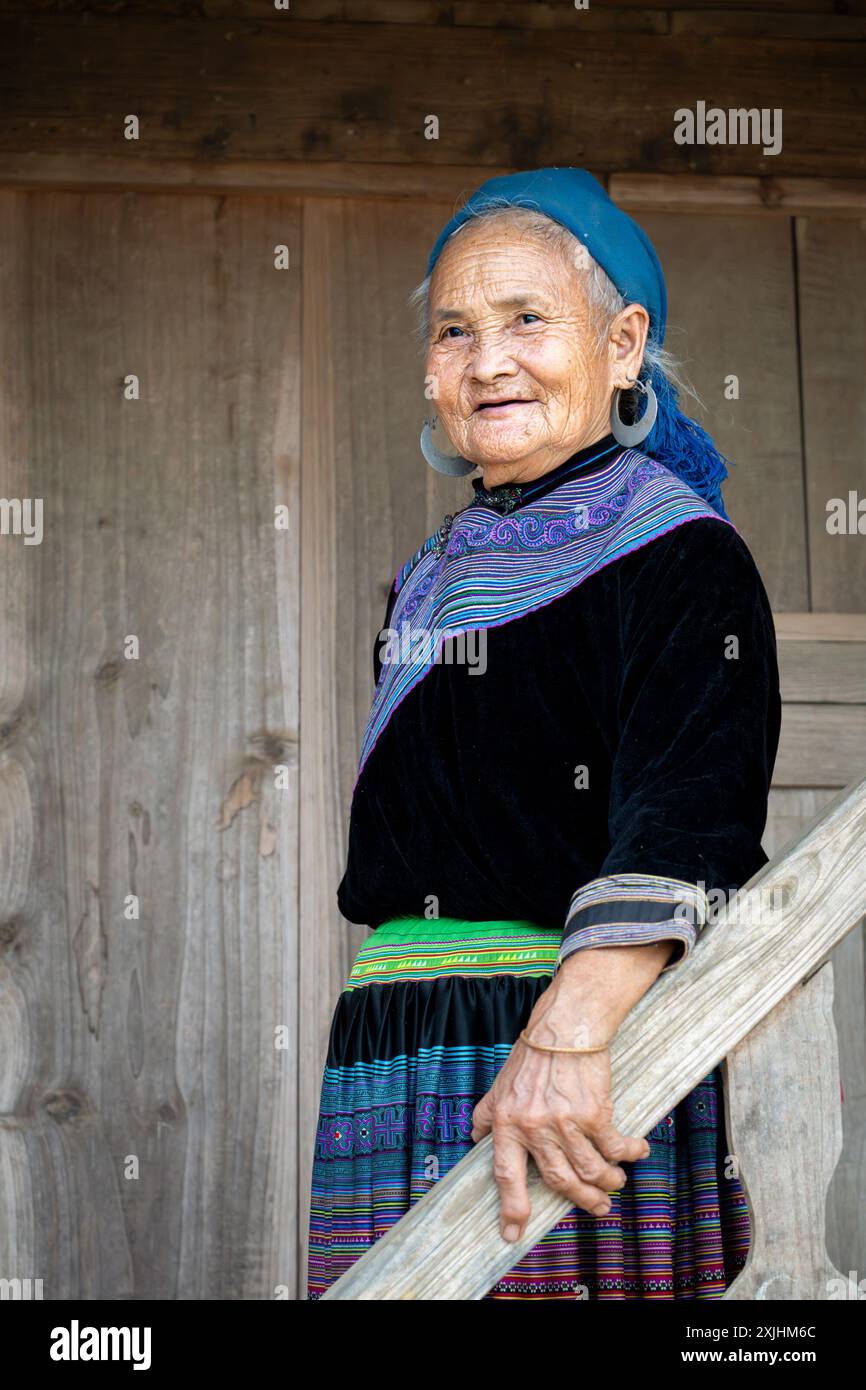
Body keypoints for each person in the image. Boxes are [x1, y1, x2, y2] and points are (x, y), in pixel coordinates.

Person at [307, 167, 781, 1300]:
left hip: (564, 1058)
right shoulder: (427, 576)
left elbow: (687, 819)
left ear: (621, 345)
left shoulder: (679, 553)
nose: (487, 360)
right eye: (454, 330)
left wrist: (564, 1044)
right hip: (398, 1049)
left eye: (527, 319)